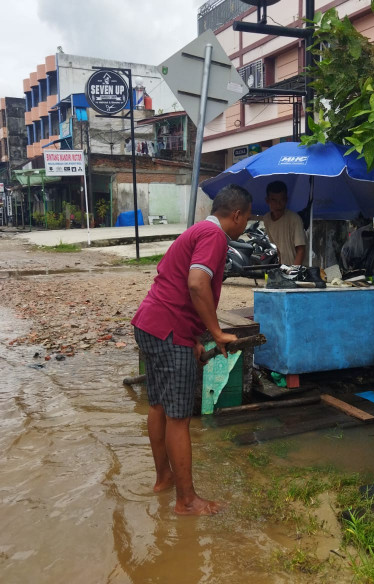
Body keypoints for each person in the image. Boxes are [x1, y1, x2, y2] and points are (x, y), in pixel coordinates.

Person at [131, 184, 252, 515]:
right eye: (247, 219)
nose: (245, 226)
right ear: (237, 215)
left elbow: (182, 290)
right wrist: (216, 332)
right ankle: (186, 501)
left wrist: (196, 338)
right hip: (168, 330)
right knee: (179, 417)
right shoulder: (215, 237)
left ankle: (164, 479)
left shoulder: (199, 230)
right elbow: (197, 283)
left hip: (150, 324)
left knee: (158, 406)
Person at [262, 180, 306, 266]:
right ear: (267, 200)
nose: (278, 204)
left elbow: (301, 250)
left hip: (299, 269)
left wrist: (294, 272)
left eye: (282, 200)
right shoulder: (266, 219)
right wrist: (281, 267)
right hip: (285, 267)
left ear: (286, 200)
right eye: (274, 200)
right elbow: (278, 247)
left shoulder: (294, 219)